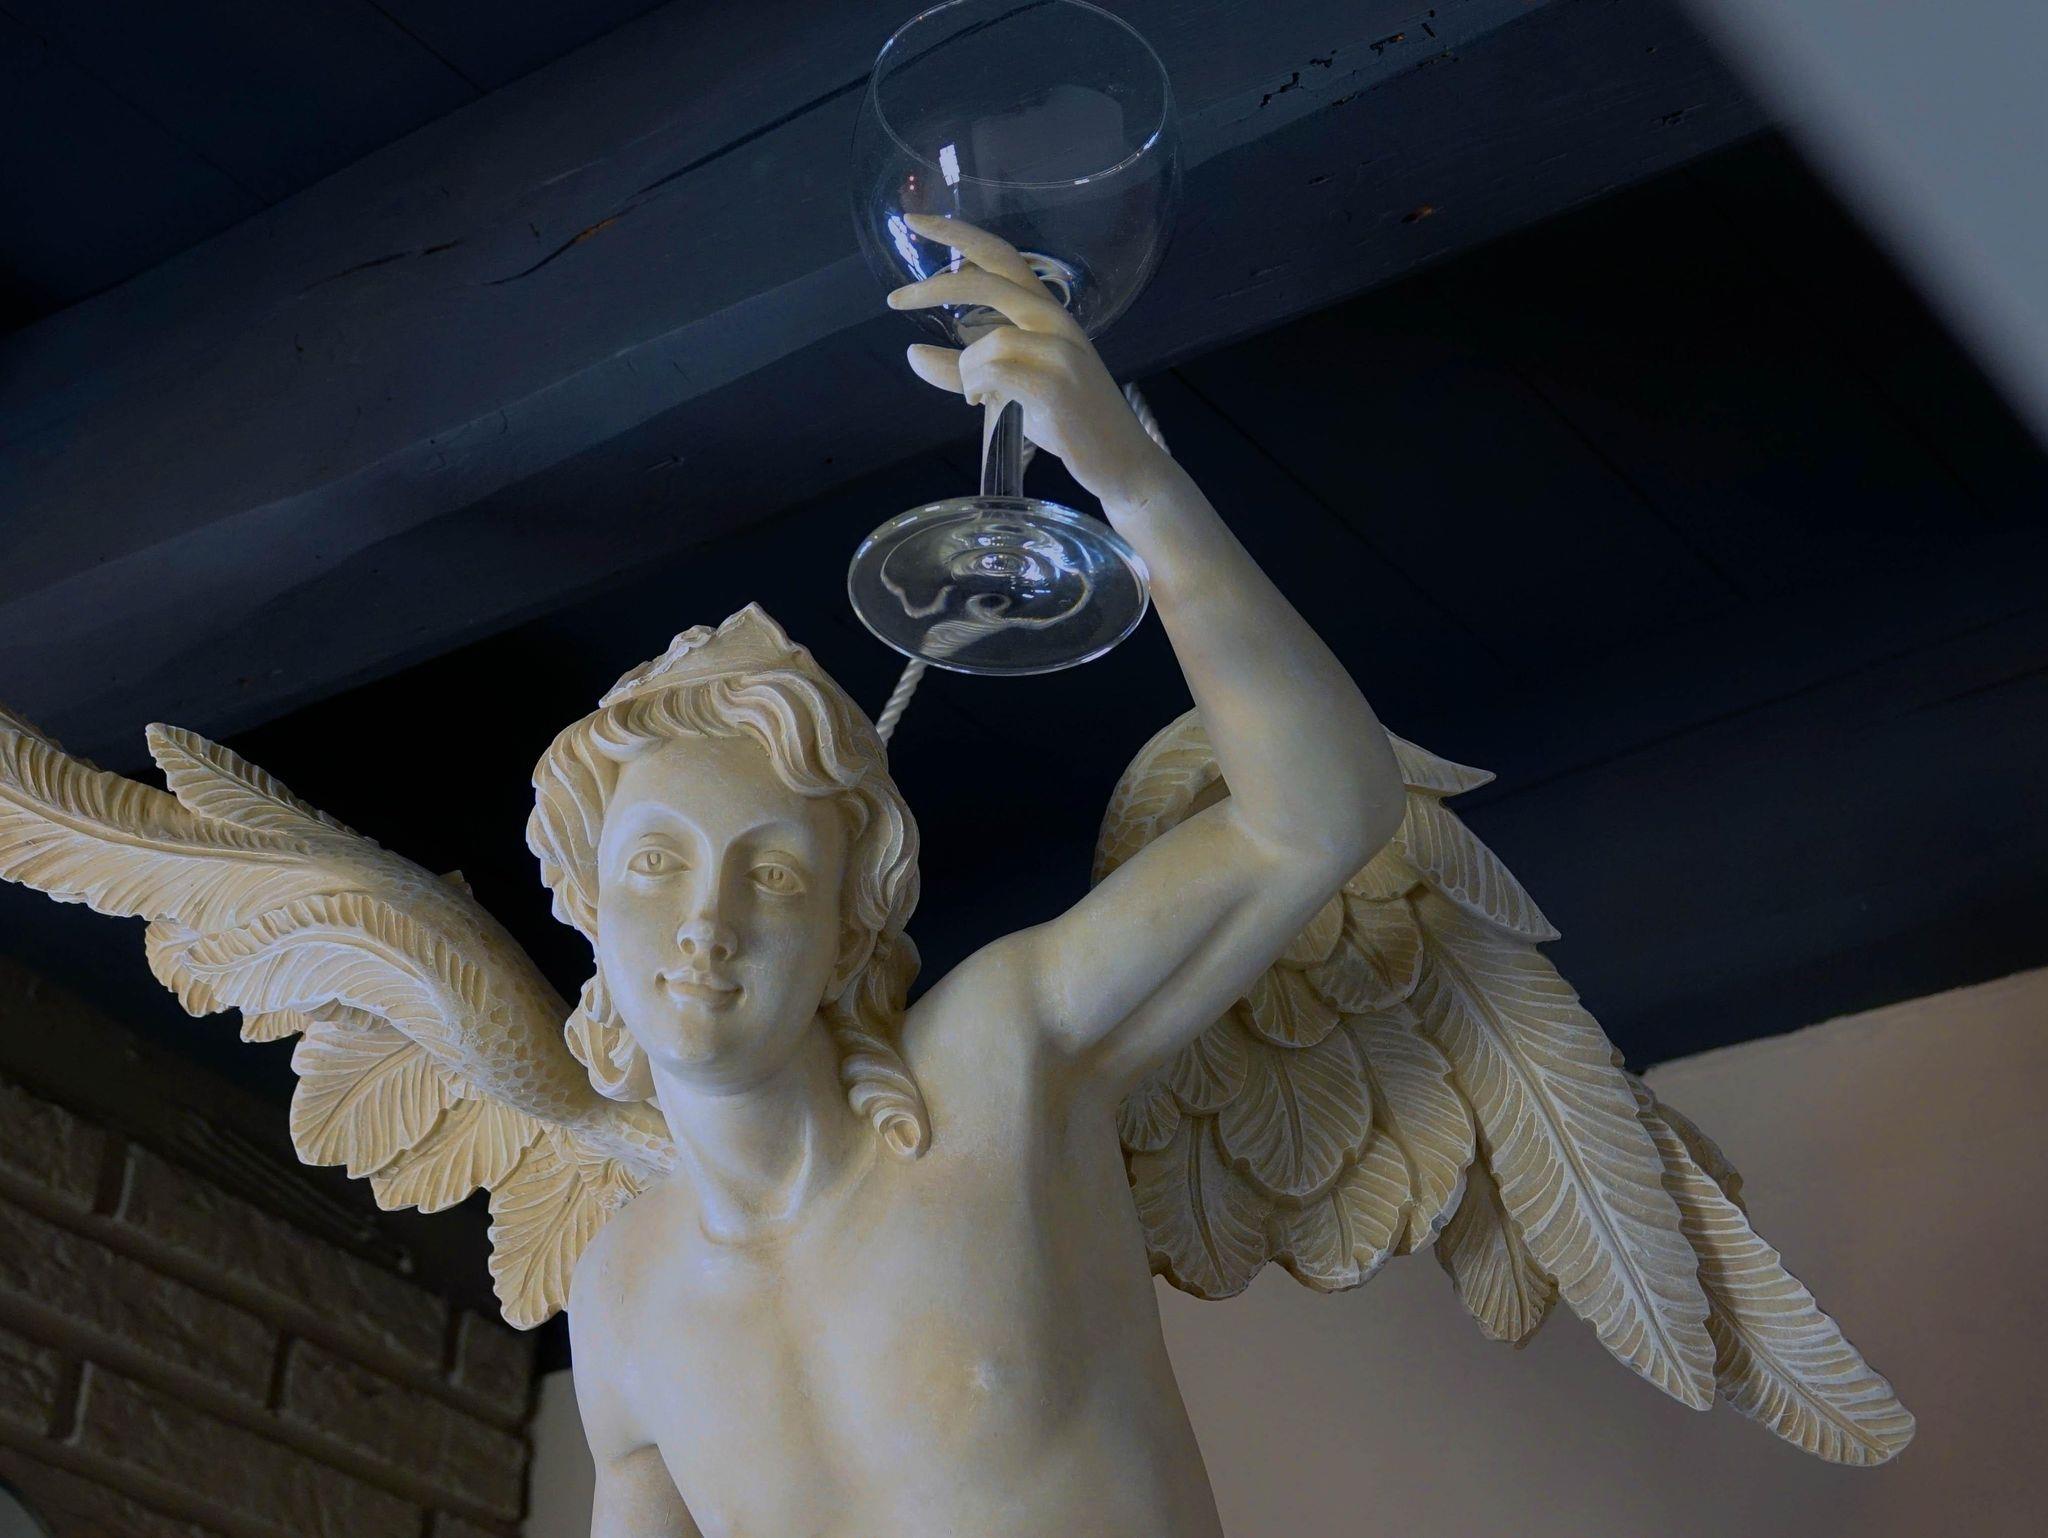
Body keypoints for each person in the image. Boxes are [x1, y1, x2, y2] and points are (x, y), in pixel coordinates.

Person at [540, 217, 1406, 1537]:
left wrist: (1129, 480)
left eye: (773, 876)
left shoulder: (999, 1064)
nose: (706, 921)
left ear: (848, 935)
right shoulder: (619, 1296)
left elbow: (1317, 814)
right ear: (591, 908)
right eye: (656, 864)